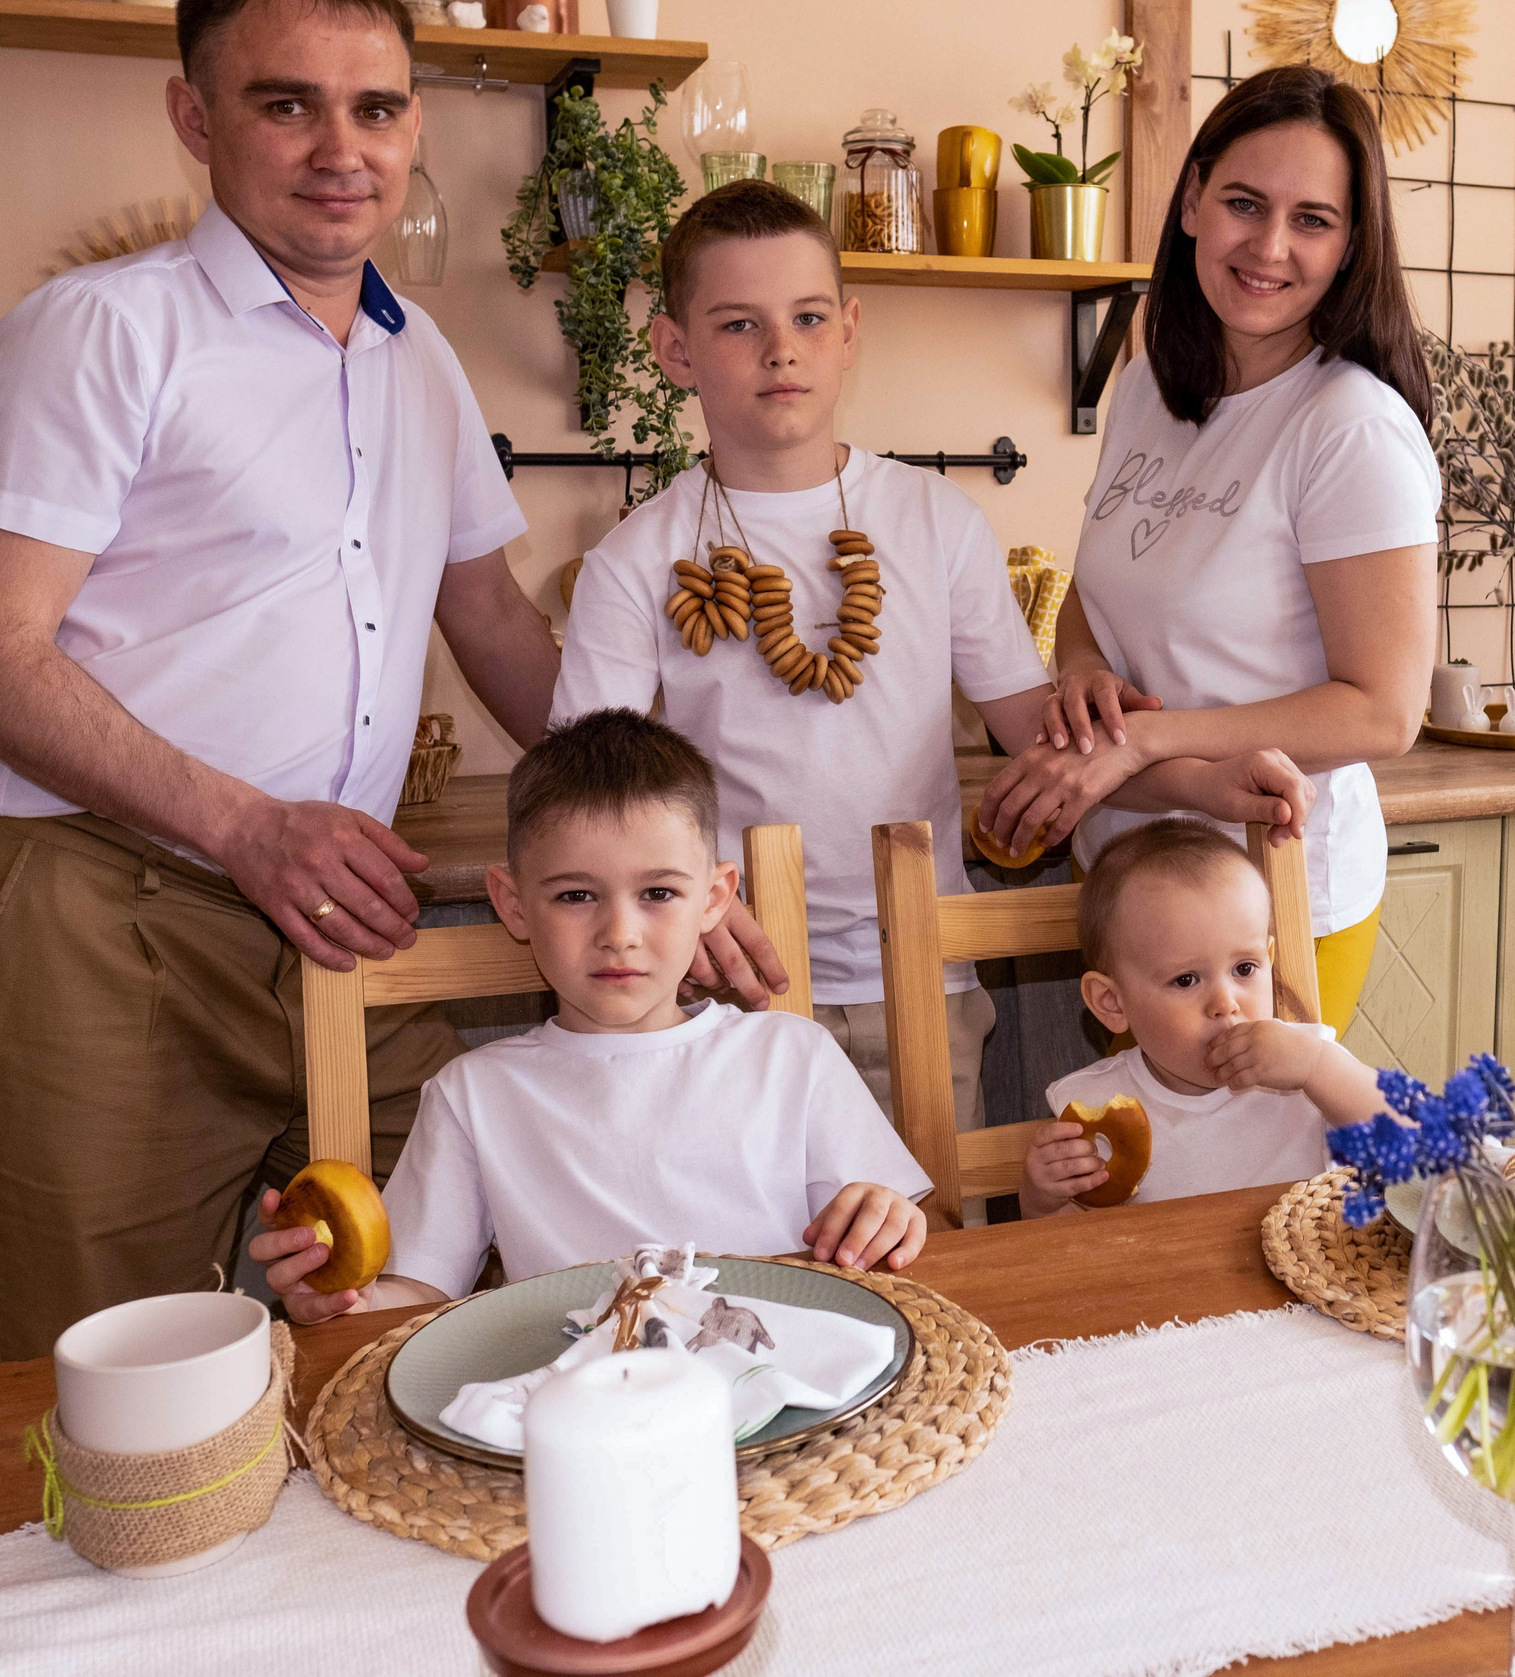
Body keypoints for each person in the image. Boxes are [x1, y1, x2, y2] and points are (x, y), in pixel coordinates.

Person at [0, 0, 558, 1362]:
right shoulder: (101, 332)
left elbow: (502, 632)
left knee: (446, 1321)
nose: (343, 150)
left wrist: (670, 836)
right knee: (113, 1387)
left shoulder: (423, 364)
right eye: (288, 107)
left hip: (341, 927)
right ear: (194, 118)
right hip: (96, 924)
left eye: (377, 109)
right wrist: (247, 826)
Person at [552, 179, 1313, 1129]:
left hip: (918, 978)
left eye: (808, 317)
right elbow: (587, 791)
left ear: (850, 332)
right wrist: (686, 911)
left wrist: (1205, 781)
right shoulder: (632, 560)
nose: (782, 348)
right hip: (725, 985)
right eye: (738, 325)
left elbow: (1042, 743)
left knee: (930, 1246)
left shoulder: (934, 521)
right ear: (675, 350)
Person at [977, 65, 1441, 1037]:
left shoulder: (1349, 427)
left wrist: (1145, 737)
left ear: (1353, 243)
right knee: (1127, 1179)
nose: (1269, 246)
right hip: (1122, 877)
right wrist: (1079, 669)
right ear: (1191, 201)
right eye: (1243, 202)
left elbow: (1385, 710)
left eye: (1313, 219)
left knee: (1245, 1187)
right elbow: (1090, 592)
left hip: (1265, 901)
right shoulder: (1148, 388)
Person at [252, 710, 930, 1322]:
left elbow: (894, 1234)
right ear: (513, 905)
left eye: (659, 892)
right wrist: (340, 1299)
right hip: (580, 1408)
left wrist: (890, 1220)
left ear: (716, 899)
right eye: (577, 895)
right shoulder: (474, 1095)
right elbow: (420, 1297)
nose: (619, 931)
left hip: (784, 1394)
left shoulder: (792, 1056)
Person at [1020, 820, 1384, 1216]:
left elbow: (1418, 1148)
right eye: (1186, 980)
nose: (1225, 1003)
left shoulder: (1306, 1066)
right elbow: (1059, 1253)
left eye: (1245, 969)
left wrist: (1318, 1066)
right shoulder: (1093, 1102)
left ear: (1270, 961)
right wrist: (1041, 1198)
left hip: (1299, 1273)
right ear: (1112, 1002)